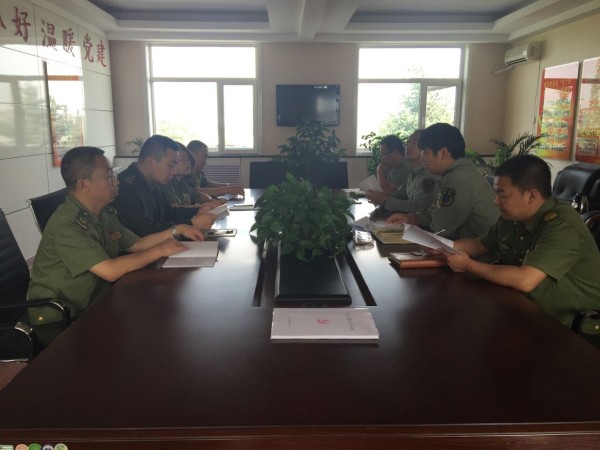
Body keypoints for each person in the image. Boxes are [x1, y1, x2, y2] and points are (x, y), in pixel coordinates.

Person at [27, 146, 205, 347]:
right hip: (60, 318)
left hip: (95, 302)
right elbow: (110, 271)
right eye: (109, 176)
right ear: (84, 184)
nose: (116, 181)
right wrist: (161, 249)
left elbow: (137, 244)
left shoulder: (103, 213)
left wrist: (177, 229)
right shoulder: (68, 225)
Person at [433, 155, 600, 337]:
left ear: (531, 195)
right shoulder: (514, 217)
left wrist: (467, 265)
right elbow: (478, 244)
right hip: (521, 309)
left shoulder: (562, 226)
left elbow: (525, 280)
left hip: (568, 328)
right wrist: (439, 245)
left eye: (502, 195)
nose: (496, 201)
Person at [386, 123, 498, 239]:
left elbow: (440, 227)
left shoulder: (459, 179)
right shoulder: (456, 173)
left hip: (483, 249)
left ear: (443, 153)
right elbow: (437, 214)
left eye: (425, 153)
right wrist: (411, 218)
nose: (423, 158)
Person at [112, 135, 217, 237]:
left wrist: (197, 211)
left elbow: (168, 212)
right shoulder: (126, 188)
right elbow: (143, 231)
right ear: (151, 162)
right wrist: (191, 223)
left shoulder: (152, 180)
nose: (174, 171)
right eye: (171, 165)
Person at [366, 129, 439, 214]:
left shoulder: (430, 174)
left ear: (427, 148)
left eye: (414, 143)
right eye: (407, 143)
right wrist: (380, 196)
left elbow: (418, 207)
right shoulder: (412, 173)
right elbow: (400, 194)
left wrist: (385, 201)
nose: (408, 147)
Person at [161, 143, 225, 208]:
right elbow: (175, 210)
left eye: (189, 159)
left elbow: (198, 196)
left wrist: (211, 200)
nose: (188, 163)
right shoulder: (167, 184)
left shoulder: (183, 183)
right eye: (182, 160)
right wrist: (203, 206)